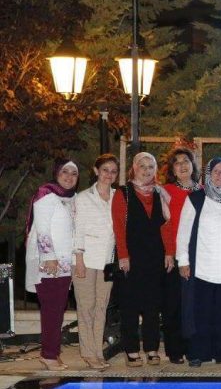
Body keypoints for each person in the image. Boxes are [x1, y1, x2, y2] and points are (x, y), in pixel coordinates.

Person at [176, 157, 221, 367]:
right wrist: (183, 261)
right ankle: (198, 353)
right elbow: (183, 232)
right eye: (216, 171)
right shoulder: (196, 198)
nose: (220, 175)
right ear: (208, 174)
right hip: (203, 268)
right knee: (201, 313)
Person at [112, 152, 171, 367]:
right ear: (134, 168)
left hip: (155, 258)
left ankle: (152, 348)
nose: (147, 170)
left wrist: (169, 253)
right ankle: (131, 350)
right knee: (130, 306)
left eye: (151, 167)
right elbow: (118, 227)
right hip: (131, 258)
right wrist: (123, 256)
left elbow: (166, 227)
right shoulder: (123, 193)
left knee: (152, 307)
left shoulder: (159, 193)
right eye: (142, 166)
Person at [25, 160, 80, 370]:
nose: (69, 176)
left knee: (57, 309)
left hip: (65, 263)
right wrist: (49, 257)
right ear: (56, 173)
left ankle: (52, 352)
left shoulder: (72, 198)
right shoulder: (46, 195)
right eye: (65, 171)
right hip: (49, 263)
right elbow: (42, 229)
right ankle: (48, 355)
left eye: (73, 173)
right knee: (51, 310)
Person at [72, 154, 118, 370]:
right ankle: (88, 353)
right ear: (96, 171)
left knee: (101, 307)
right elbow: (78, 229)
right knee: (86, 307)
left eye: (113, 171)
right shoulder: (83, 197)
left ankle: (98, 352)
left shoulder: (118, 197)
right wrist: (79, 259)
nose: (109, 174)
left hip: (107, 261)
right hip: (86, 259)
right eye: (105, 170)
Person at [161, 146, 201, 364]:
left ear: (193, 165)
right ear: (172, 169)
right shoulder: (165, 191)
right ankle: (175, 349)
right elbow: (165, 226)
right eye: (177, 163)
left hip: (200, 256)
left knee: (194, 305)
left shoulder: (204, 191)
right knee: (174, 305)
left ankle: (193, 347)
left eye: (186, 161)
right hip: (174, 256)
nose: (182, 165)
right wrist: (169, 252)